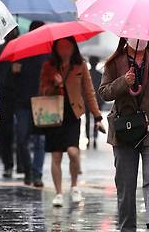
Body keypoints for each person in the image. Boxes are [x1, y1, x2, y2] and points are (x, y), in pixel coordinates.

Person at [99, 38, 149, 232]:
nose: (139, 38)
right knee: (125, 184)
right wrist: (123, 82)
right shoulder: (113, 63)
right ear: (125, 36)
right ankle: (127, 227)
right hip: (126, 129)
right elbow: (105, 92)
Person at [39, 37, 104, 208]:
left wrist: (97, 116)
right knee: (56, 156)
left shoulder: (80, 65)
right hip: (54, 115)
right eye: (61, 47)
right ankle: (59, 192)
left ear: (73, 48)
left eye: (67, 47)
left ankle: (74, 186)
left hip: (73, 115)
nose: (64, 50)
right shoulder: (49, 66)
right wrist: (54, 84)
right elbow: (43, 91)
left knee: (73, 153)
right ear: (56, 48)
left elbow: (89, 92)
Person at [13, 20, 47, 187]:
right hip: (23, 102)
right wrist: (15, 71)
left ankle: (37, 173)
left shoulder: (49, 52)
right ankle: (28, 170)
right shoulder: (21, 51)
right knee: (22, 139)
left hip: (41, 102)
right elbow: (12, 78)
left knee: (39, 140)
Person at [0, 28, 19, 179]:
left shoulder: (1, 51)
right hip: (10, 96)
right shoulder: (0, 51)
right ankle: (12, 164)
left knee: (8, 133)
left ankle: (10, 164)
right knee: (13, 133)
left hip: (10, 96)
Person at [85, 55, 105, 150]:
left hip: (87, 101)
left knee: (88, 120)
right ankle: (95, 139)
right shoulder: (100, 75)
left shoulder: (87, 73)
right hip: (98, 101)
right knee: (97, 120)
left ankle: (88, 139)